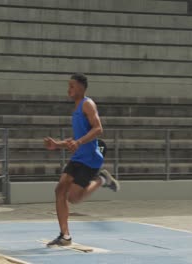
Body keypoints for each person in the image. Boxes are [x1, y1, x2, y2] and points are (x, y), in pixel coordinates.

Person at [43, 73, 120, 246]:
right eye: (68, 85)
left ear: (81, 87)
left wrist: (79, 142)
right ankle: (65, 236)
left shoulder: (88, 104)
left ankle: (102, 179)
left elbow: (98, 129)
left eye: (72, 86)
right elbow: (75, 140)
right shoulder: (77, 108)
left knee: (74, 198)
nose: (68, 89)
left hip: (90, 159)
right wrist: (57, 145)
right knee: (59, 190)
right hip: (78, 157)